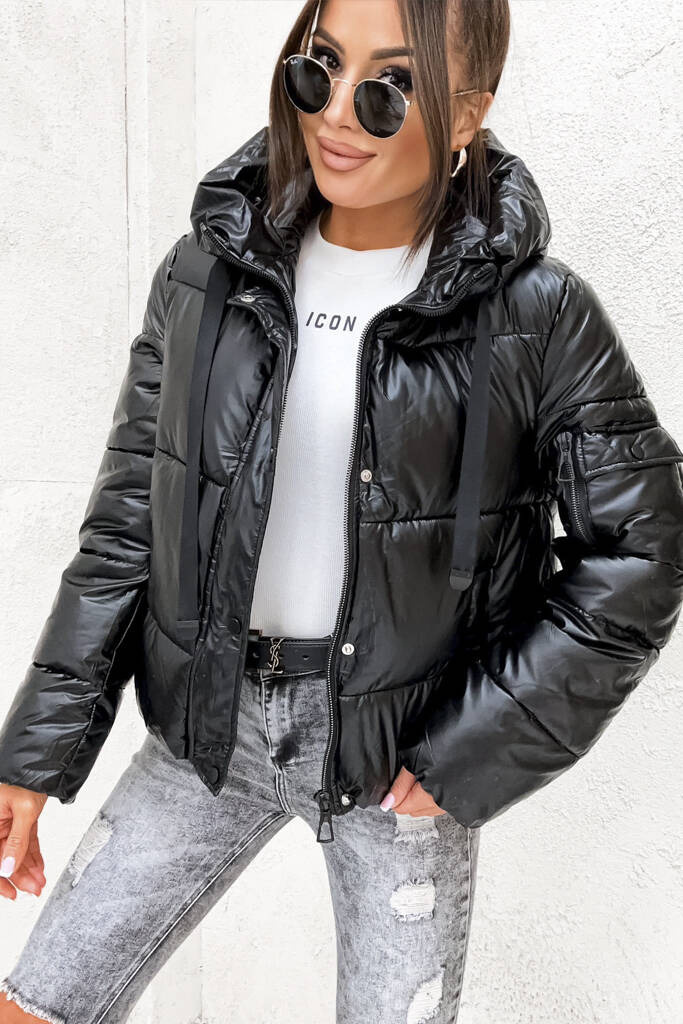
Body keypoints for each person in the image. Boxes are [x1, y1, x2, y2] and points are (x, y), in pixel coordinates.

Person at [2, 0, 682, 1021]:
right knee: (36, 1004)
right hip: (206, 725)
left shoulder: (536, 315)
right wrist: (35, 754)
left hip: (401, 758)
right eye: (318, 68)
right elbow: (129, 518)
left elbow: (643, 552)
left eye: (389, 87)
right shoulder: (206, 275)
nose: (335, 114)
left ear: (466, 114)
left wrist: (475, 746)